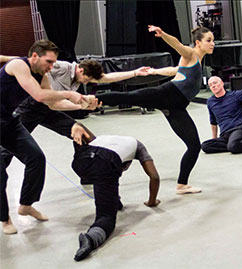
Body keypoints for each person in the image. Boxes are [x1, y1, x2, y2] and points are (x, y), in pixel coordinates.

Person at [96, 25, 215, 195]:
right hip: (167, 95)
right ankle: (91, 100)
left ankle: (182, 185)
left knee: (194, 146)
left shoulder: (196, 60)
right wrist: (163, 34)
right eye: (208, 40)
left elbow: (174, 71)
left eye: (213, 40)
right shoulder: (191, 53)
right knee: (129, 97)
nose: (213, 44)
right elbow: (177, 45)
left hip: (176, 107)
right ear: (198, 42)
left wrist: (154, 71)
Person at [0, 56, 150, 170]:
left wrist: (135, 73)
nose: (86, 83)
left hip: (51, 108)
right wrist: (4, 58)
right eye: (87, 79)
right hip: (31, 107)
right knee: (9, 146)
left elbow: (106, 78)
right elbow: (32, 61)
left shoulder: (81, 77)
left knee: (85, 136)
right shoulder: (61, 67)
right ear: (81, 70)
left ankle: (87, 171)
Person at [0, 40, 88, 234]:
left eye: (53, 63)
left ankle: (26, 204)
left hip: (8, 121)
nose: (51, 67)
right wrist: (68, 94)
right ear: (34, 56)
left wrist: (80, 105)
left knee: (36, 158)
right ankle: (4, 219)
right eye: (48, 62)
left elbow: (52, 104)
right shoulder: (18, 65)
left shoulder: (42, 75)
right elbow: (39, 96)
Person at [70, 122, 160, 261]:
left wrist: (76, 127)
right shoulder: (139, 147)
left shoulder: (101, 138)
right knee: (106, 217)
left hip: (81, 162)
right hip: (105, 164)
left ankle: (113, 199)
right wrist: (152, 202)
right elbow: (154, 177)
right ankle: (91, 239)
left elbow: (80, 128)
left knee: (103, 176)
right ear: (128, 164)